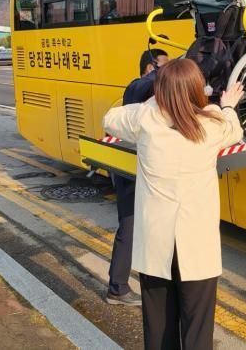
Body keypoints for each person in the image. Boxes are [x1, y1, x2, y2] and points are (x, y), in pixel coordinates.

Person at [103, 59, 245, 349]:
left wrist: (156, 100)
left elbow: (110, 118)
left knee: (158, 330)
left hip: (156, 246)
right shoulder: (212, 125)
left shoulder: (146, 119)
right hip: (197, 247)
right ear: (198, 89)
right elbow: (234, 128)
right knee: (197, 331)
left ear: (160, 92)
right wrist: (227, 105)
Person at [106, 48, 169, 306]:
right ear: (150, 68)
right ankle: (117, 288)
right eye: (163, 66)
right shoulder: (137, 86)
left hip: (138, 165)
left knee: (143, 226)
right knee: (129, 226)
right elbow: (145, 86)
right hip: (129, 167)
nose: (167, 72)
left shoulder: (151, 90)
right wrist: (164, 74)